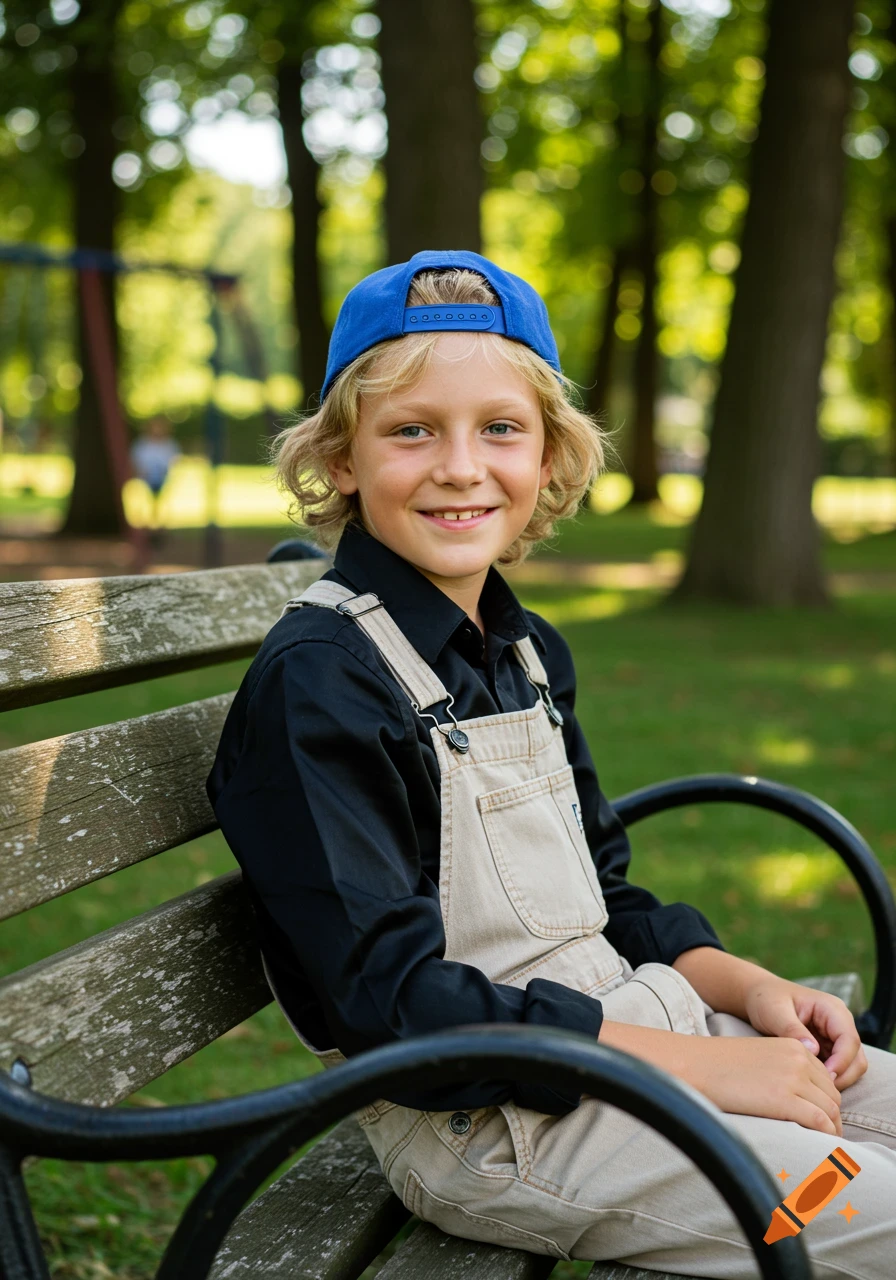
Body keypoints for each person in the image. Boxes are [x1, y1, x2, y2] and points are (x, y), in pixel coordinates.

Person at [206, 251, 895, 1278]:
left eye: (499, 428)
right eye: (410, 429)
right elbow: (393, 1008)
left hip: (628, 1030)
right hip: (493, 1124)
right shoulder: (322, 682)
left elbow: (602, 888)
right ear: (340, 459)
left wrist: (745, 988)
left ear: (547, 460)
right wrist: (702, 1067)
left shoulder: (520, 650)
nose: (459, 464)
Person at [130, 415, 180, 536]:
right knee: (144, 501)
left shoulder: (169, 444)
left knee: (160, 502)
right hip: (145, 478)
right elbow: (136, 460)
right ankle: (145, 527)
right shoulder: (142, 444)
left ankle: (159, 527)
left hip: (162, 478)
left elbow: (173, 460)